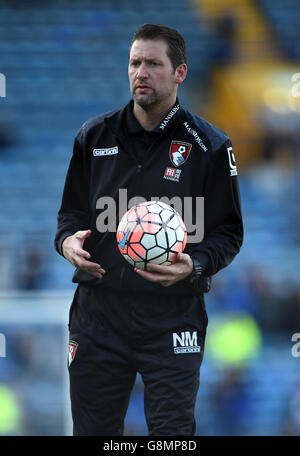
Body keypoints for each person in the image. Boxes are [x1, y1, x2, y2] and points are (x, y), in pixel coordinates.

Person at [54, 23, 243, 436]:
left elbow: (229, 234)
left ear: (180, 73)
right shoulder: (93, 136)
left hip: (172, 316)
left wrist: (194, 265)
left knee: (172, 436)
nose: (141, 72)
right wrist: (67, 241)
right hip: (97, 315)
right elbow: (70, 216)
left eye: (154, 64)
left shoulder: (210, 146)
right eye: (135, 63)